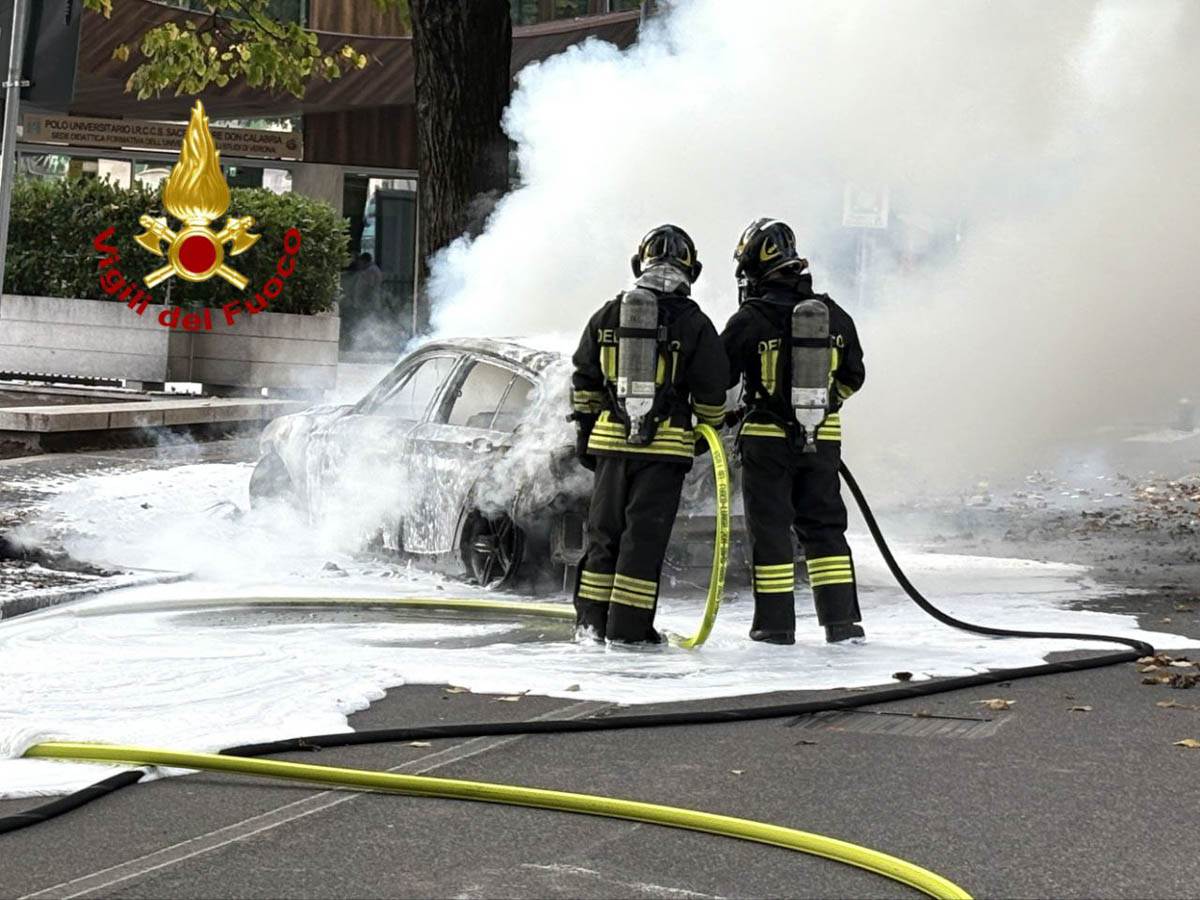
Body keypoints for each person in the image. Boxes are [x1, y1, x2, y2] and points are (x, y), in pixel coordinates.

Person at [570, 224, 729, 644]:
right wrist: (703, 433)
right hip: (665, 450)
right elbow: (713, 392)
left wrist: (588, 436)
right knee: (643, 540)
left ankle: (590, 625)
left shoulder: (607, 314)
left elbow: (584, 380)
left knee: (603, 537)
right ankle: (630, 632)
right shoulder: (695, 323)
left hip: (609, 447)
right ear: (690, 270)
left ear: (640, 263)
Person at [720, 218, 866, 645]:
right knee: (824, 528)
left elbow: (720, 377)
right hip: (822, 440)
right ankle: (841, 624)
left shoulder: (750, 318)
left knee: (771, 532)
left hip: (766, 440)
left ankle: (775, 627)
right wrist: (828, 403)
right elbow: (854, 375)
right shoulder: (834, 314)